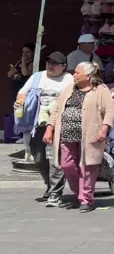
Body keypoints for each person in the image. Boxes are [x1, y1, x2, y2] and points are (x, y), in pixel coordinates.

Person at [42, 62, 114, 213]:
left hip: (90, 135)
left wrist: (104, 128)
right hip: (67, 133)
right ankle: (80, 193)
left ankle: (86, 198)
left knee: (88, 166)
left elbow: (109, 111)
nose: (74, 75)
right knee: (67, 164)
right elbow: (57, 109)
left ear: (88, 76)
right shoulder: (69, 88)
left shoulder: (101, 90)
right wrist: (50, 128)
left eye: (77, 73)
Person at [15, 52, 73, 207]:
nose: (50, 66)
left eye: (54, 63)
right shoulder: (38, 76)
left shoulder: (69, 80)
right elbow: (23, 92)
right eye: (49, 62)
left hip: (61, 123)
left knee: (57, 159)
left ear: (64, 66)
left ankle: (55, 192)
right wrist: (20, 100)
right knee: (39, 158)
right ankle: (49, 183)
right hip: (39, 124)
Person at [5, 42, 33, 144]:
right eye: (23, 52)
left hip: (24, 92)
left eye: (27, 52)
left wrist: (24, 62)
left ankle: (23, 135)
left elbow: (26, 73)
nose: (25, 54)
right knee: (16, 112)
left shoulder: (31, 63)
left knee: (24, 113)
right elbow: (9, 74)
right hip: (15, 91)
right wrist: (14, 69)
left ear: (32, 52)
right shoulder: (18, 63)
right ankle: (19, 134)